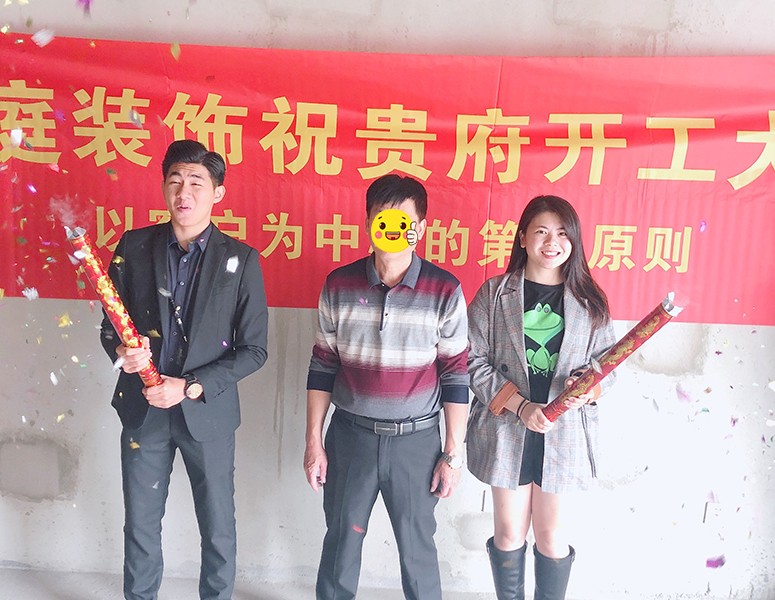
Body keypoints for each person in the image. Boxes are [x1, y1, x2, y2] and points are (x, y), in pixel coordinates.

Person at [99, 139, 269, 600]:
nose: (184, 191)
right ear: (163, 188)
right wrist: (123, 351)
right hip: (144, 410)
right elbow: (111, 327)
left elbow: (254, 350)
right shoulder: (134, 246)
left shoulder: (241, 260)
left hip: (207, 415)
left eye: (196, 182)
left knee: (217, 526)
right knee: (140, 522)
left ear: (218, 193)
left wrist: (190, 385)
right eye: (175, 180)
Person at [303, 174, 470, 600]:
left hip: (416, 444)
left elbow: (456, 373)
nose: (392, 228)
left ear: (421, 228)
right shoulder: (339, 285)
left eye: (403, 221)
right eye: (382, 218)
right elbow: (322, 366)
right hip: (350, 437)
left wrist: (452, 454)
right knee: (341, 543)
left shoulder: (444, 289)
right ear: (368, 223)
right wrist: (314, 442)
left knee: (417, 552)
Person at [466, 195, 616, 600]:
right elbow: (470, 360)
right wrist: (520, 406)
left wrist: (589, 387)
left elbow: (610, 366)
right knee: (509, 533)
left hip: (563, 433)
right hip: (507, 428)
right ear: (522, 238)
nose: (553, 242)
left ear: (575, 241)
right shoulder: (494, 294)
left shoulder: (590, 301)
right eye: (542, 232)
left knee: (551, 537)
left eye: (563, 233)